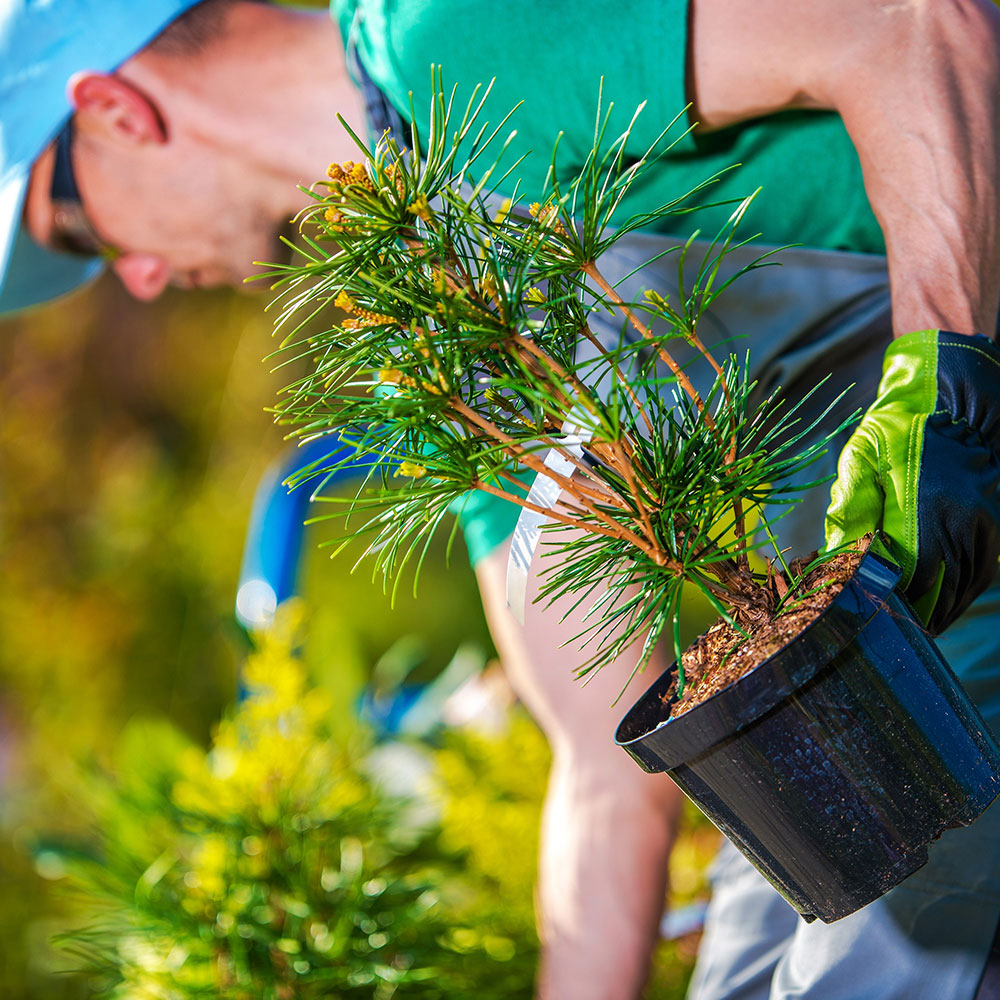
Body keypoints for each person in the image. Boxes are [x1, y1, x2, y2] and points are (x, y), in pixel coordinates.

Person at [4, 1, 1000, 997]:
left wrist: (946, 380)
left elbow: (915, 27)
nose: (136, 279)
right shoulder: (436, 336)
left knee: (886, 956)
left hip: (963, 510)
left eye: (81, 229)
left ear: (117, 112)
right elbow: (599, 759)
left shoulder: (449, 32)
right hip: (885, 618)